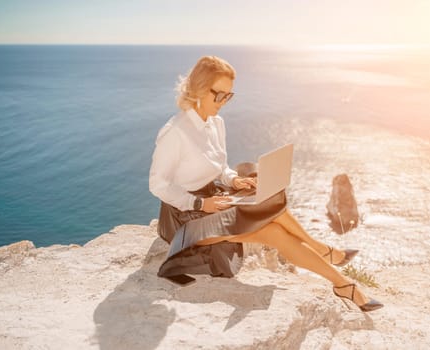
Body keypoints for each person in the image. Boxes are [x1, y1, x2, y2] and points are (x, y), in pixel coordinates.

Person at [149, 55, 383, 312]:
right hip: (184, 219)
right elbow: (158, 185)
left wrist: (235, 179)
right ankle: (339, 275)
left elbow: (220, 168)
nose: (223, 102)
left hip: (214, 201)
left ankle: (333, 267)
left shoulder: (216, 124)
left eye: (228, 96)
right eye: (219, 95)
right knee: (272, 230)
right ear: (200, 89)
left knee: (272, 200)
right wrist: (200, 203)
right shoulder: (175, 132)